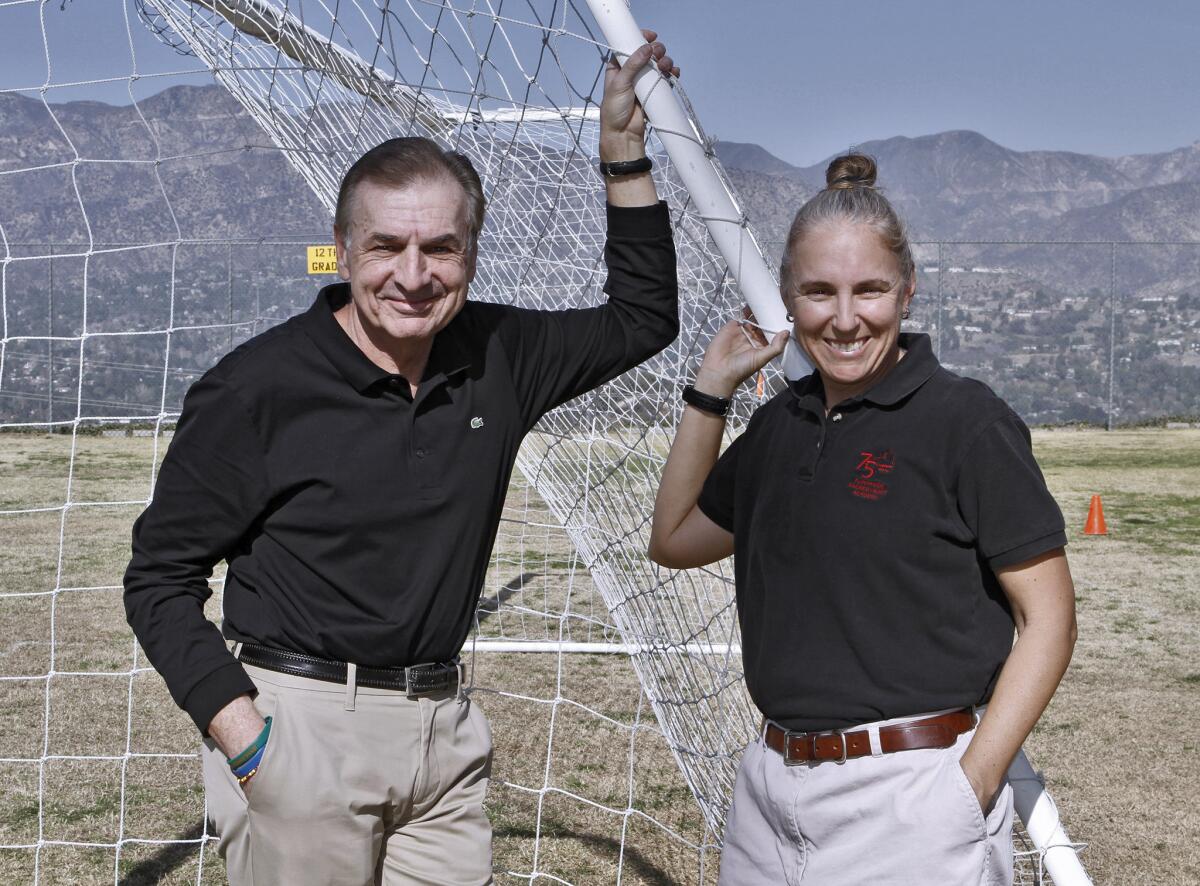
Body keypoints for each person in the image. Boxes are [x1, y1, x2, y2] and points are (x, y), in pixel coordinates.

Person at [124, 33, 680, 886]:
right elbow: (158, 579)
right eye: (386, 247)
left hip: (444, 741)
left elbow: (642, 318)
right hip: (298, 735)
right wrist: (245, 737)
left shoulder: (501, 352)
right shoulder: (255, 389)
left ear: (472, 251)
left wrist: (623, 153)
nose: (413, 276)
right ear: (342, 250)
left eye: (440, 248)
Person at [648, 154, 1077, 886]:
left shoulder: (965, 423)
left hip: (911, 799)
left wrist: (967, 786)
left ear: (906, 292)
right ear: (788, 297)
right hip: (768, 795)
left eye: (869, 290)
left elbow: (1051, 621)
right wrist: (710, 391)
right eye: (819, 292)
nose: (845, 319)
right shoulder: (781, 425)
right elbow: (674, 537)